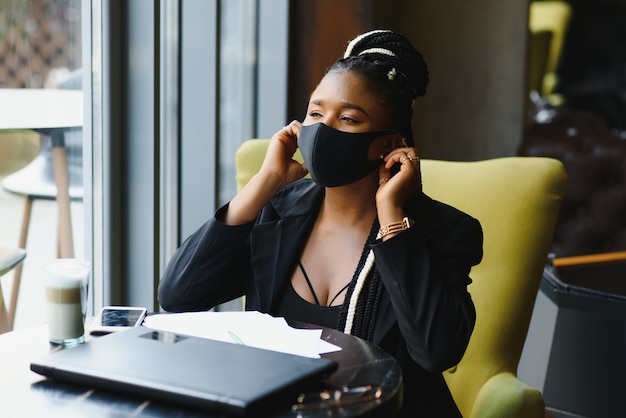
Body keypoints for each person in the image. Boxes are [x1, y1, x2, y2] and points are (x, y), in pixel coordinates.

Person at [159, 29, 483, 417]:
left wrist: (392, 216)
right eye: (315, 113)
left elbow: (436, 351)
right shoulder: (274, 213)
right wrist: (264, 184)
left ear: (388, 143)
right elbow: (179, 295)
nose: (323, 129)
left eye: (347, 118)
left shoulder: (443, 232)